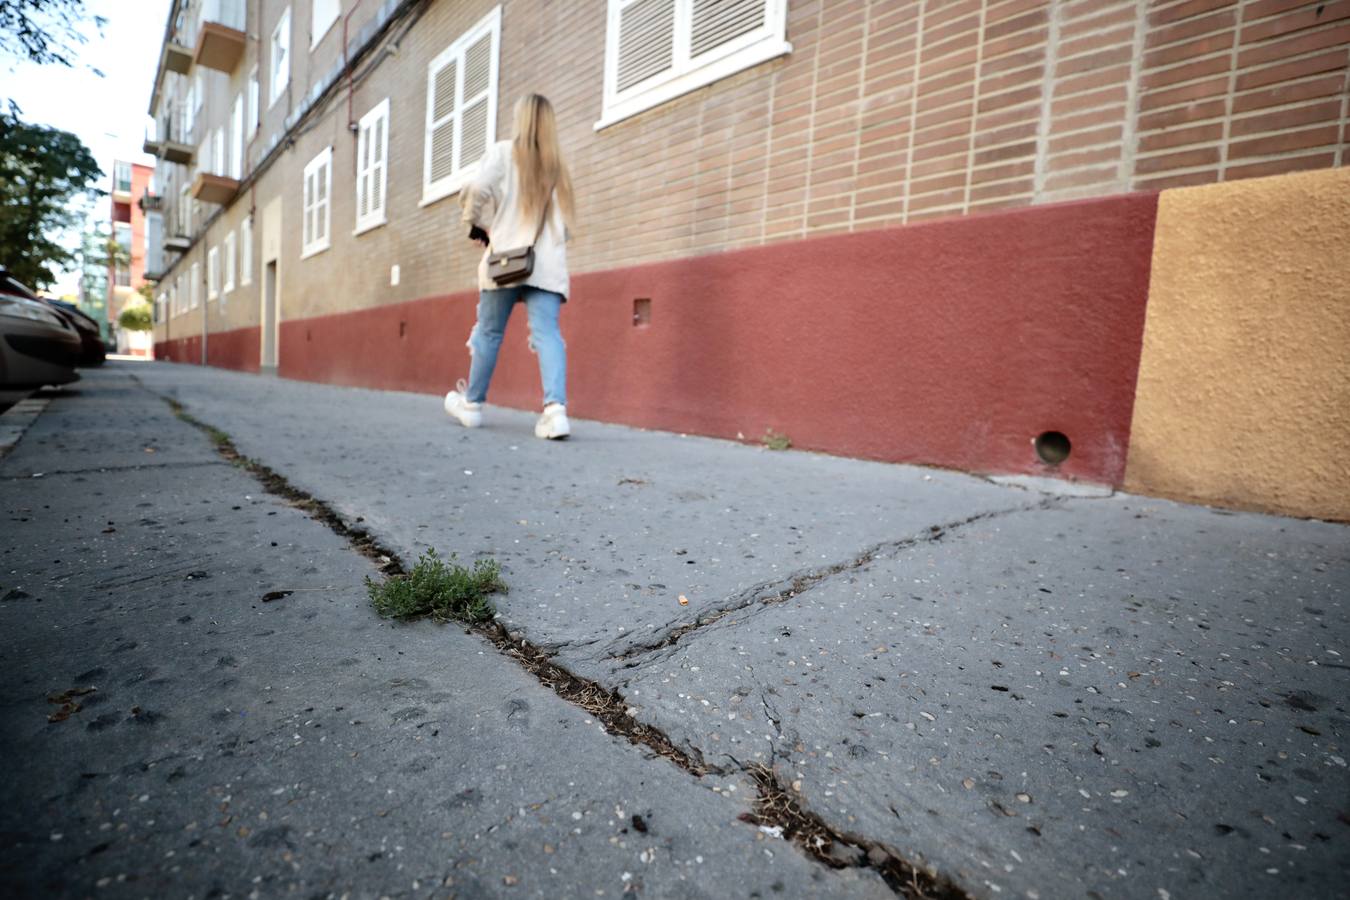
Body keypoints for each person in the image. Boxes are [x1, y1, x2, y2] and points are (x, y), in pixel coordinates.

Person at [443, 93, 576, 440]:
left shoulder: (503, 153)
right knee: (548, 335)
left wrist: (474, 224)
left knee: (489, 332)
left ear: (521, 120)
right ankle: (555, 411)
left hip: (505, 261)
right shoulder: (557, 167)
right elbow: (565, 228)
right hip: (546, 264)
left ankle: (471, 406)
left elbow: (478, 190)